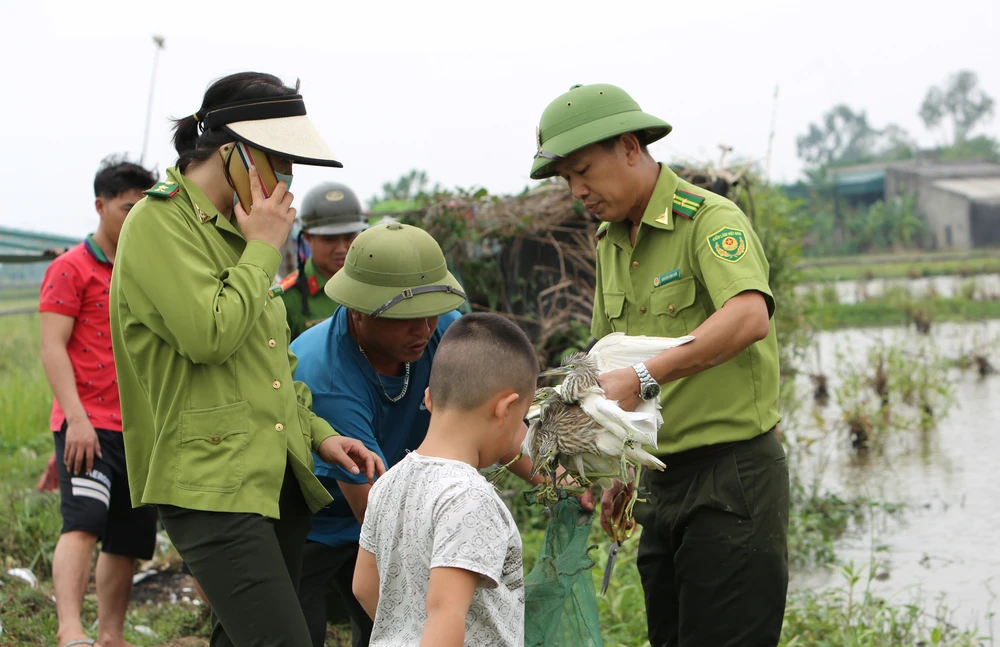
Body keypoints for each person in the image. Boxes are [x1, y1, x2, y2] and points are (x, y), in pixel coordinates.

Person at [108, 72, 384, 647]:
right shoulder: (157, 224)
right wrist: (264, 247)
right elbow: (210, 335)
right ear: (233, 150)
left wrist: (320, 435)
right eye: (278, 160)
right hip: (211, 484)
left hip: (272, 473)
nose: (286, 180)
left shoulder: (238, 232)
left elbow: (269, 369)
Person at [530, 83, 789, 647]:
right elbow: (608, 353)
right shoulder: (609, 242)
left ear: (629, 146)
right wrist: (616, 471)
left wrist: (647, 376)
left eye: (583, 171)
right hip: (658, 481)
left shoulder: (708, 220)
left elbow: (748, 318)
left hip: (732, 474)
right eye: (567, 181)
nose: (578, 191)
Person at [291, 222, 589, 647]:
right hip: (321, 517)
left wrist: (561, 481)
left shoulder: (442, 329)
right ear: (358, 309)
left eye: (432, 313)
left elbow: (490, 412)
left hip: (395, 496)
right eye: (406, 318)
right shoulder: (325, 375)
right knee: (298, 628)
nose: (425, 328)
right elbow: (388, 523)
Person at [352, 312, 535, 647]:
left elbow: (363, 587)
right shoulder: (469, 497)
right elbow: (445, 614)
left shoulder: (390, 481)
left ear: (429, 398)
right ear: (505, 409)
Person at [38, 156, 158, 647]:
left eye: (142, 209)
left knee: (127, 538)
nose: (135, 217)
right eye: (127, 208)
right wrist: (75, 422)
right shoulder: (71, 268)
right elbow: (51, 348)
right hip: (87, 423)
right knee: (84, 522)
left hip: (139, 428)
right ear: (100, 206)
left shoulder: (147, 270)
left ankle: (110, 634)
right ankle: (70, 629)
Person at [279, 181, 368, 340]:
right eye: (329, 239)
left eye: (349, 237)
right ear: (307, 238)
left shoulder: (373, 286)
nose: (341, 248)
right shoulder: (286, 299)